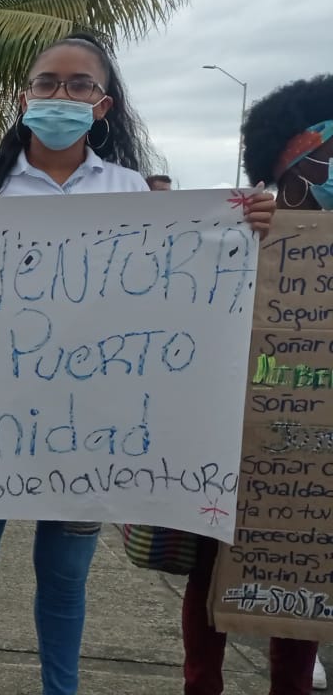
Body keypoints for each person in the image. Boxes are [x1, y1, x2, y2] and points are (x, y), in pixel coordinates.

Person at [0, 34, 275, 695]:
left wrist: (247, 226)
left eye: (78, 85)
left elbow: (174, 282)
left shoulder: (128, 189)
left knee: (65, 579)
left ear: (104, 104)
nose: (61, 95)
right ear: (23, 96)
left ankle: (60, 689)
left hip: (87, 430)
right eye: (48, 83)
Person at [180, 73, 333, 695]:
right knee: (212, 570)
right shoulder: (245, 232)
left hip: (313, 448)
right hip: (233, 432)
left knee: (303, 569)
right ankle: (201, 684)